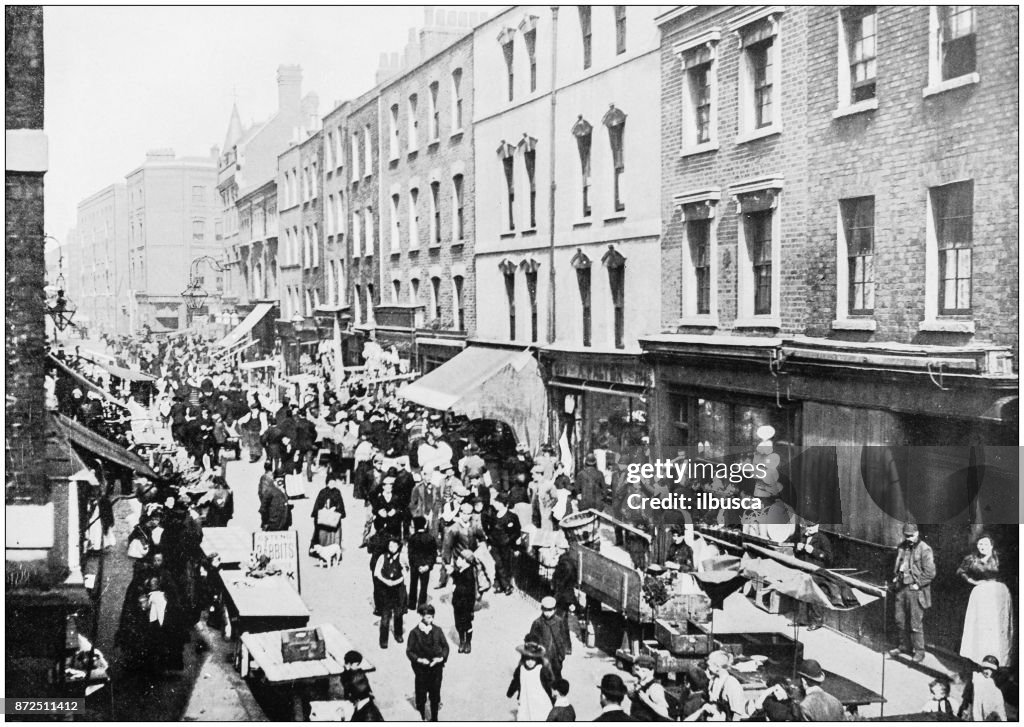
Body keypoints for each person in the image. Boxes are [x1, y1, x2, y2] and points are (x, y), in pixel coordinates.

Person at [957, 533, 1013, 667]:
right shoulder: (971, 559)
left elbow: (1012, 572)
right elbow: (960, 571)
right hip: (980, 595)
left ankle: (999, 658)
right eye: (980, 544)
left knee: (997, 626)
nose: (982, 547)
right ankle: (978, 656)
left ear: (992, 545)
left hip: (999, 595)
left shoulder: (1000, 558)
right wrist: (972, 581)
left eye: (985, 544)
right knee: (981, 626)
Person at [889, 522, 935, 663]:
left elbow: (930, 573)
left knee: (915, 623)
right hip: (901, 588)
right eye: (906, 535)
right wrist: (896, 576)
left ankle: (919, 652)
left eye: (911, 535)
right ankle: (904, 647)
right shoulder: (902, 547)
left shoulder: (925, 549)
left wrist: (917, 584)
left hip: (915, 590)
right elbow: (899, 564)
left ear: (917, 533)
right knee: (900, 620)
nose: (908, 538)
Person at [406, 604, 449, 721]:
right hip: (421, 670)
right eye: (428, 617)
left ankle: (434, 718)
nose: (431, 620)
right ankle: (422, 715)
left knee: (435, 695)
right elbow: (409, 651)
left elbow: (445, 647)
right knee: (421, 695)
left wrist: (441, 658)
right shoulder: (414, 633)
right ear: (421, 616)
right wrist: (419, 660)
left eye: (432, 617)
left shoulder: (438, 630)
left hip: (436, 669)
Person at [792, 522, 834, 630]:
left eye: (812, 526)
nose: (809, 529)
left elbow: (829, 558)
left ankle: (817, 622)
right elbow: (796, 554)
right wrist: (797, 548)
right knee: (802, 594)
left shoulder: (822, 539)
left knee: (815, 597)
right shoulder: (803, 536)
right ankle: (802, 620)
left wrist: (814, 551)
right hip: (804, 570)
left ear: (818, 526)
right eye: (808, 526)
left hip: (816, 572)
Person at [507, 638, 554, 721]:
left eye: (532, 659)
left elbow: (548, 683)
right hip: (526, 699)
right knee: (525, 717)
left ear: (537, 659)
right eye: (527, 659)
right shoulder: (521, 669)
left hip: (540, 700)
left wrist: (552, 697)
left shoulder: (541, 670)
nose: (529, 662)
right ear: (523, 659)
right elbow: (516, 681)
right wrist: (510, 692)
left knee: (541, 717)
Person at [484, 494, 522, 595]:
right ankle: (506, 586)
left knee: (505, 565)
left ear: (503, 504)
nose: (494, 504)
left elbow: (517, 532)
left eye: (497, 502)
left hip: (506, 546)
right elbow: (489, 529)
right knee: (499, 564)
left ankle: (499, 585)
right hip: (495, 545)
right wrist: (489, 542)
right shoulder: (493, 515)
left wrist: (512, 544)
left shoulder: (512, 517)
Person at [373, 536, 406, 649]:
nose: (392, 548)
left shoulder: (402, 557)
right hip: (385, 590)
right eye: (390, 546)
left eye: (395, 546)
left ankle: (398, 634)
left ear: (398, 547)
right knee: (385, 615)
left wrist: (397, 581)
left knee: (398, 613)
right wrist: (386, 581)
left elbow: (406, 573)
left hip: (398, 590)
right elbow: (377, 572)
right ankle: (383, 640)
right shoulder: (382, 557)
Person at [528, 596, 572, 681]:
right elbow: (532, 640)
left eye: (550, 610)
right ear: (542, 609)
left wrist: (562, 654)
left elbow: (564, 636)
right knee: (544, 675)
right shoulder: (538, 623)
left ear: (555, 609)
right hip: (543, 655)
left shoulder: (559, 621)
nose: (548, 613)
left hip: (556, 655)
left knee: (557, 673)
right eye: (545, 610)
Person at [407, 516, 437, 611]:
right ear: (425, 525)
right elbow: (433, 554)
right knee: (424, 586)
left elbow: (411, 554)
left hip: (415, 566)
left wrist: (417, 565)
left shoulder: (412, 538)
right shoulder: (430, 538)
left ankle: (412, 604)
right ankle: (421, 604)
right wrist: (428, 565)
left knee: (413, 584)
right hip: (426, 566)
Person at [451, 549, 478, 654]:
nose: (457, 560)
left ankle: (468, 642)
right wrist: (453, 573)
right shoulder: (461, 571)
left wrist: (455, 588)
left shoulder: (469, 574)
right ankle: (462, 641)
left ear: (466, 561)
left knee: (467, 624)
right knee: (458, 624)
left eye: (459, 558)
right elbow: (457, 578)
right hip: (458, 604)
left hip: (466, 605)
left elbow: (467, 591)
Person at [629, 654, 670, 721]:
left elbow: (664, 712)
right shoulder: (640, 683)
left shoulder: (654, 688)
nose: (638, 673)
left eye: (643, 671)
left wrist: (647, 701)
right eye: (636, 670)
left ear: (651, 671)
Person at [310, 479, 346, 554]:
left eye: (334, 482)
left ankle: (334, 553)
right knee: (323, 537)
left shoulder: (337, 492)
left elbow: (340, 504)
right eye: (331, 482)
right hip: (324, 520)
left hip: (334, 520)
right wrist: (323, 509)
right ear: (327, 483)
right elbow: (318, 505)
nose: (333, 484)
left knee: (335, 538)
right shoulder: (322, 492)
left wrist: (335, 508)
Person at [969, 655, 1007, 721]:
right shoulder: (976, 680)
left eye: (991, 670)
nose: (987, 672)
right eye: (985, 668)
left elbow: (1001, 713)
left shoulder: (997, 693)